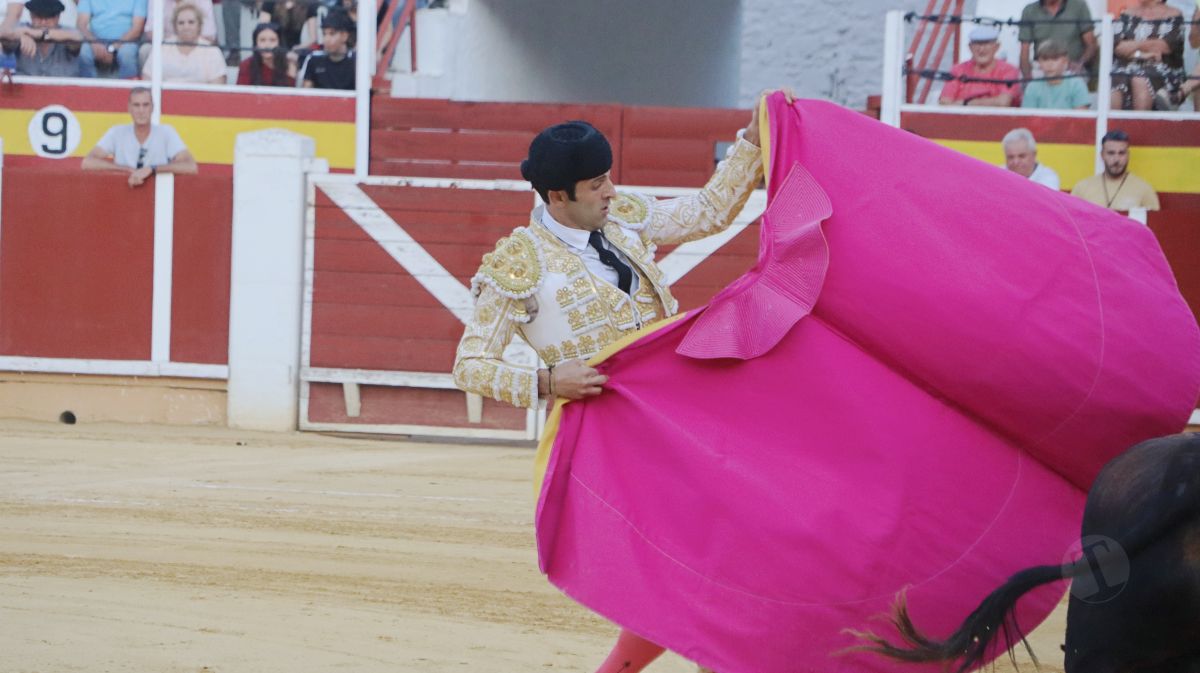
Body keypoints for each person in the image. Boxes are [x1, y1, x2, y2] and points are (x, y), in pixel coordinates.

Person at [452, 88, 781, 673]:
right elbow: (469, 364)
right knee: (697, 558)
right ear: (558, 196)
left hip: (677, 413)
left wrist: (750, 148)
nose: (610, 191)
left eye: (608, 177)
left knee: (703, 556)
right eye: (596, 184)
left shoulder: (623, 217)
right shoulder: (519, 266)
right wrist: (548, 381)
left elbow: (705, 212)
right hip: (608, 437)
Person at [81, 86, 198, 188]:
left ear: (152, 108)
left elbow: (190, 166)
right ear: (129, 108)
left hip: (157, 198)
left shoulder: (166, 132)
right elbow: (88, 162)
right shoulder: (117, 132)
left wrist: (152, 169)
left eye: (145, 105)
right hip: (123, 194)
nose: (141, 111)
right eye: (136, 105)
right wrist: (126, 170)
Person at [1110, 0, 1185, 110]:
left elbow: (1165, 46)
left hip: (1164, 69)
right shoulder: (1126, 14)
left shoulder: (1174, 15)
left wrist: (1134, 45)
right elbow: (1118, 47)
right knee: (1115, 76)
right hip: (1128, 65)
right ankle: (1113, 126)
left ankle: (1139, 126)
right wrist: (1142, 53)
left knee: (1140, 78)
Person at [1071, 130, 1159, 211]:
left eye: (1121, 153)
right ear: (1102, 155)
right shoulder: (1082, 188)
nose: (1116, 159)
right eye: (1111, 153)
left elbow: (1153, 224)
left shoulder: (1144, 190)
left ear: (1128, 155)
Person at [938, 25, 1022, 107]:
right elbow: (944, 102)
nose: (981, 50)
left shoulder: (1008, 70)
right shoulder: (957, 70)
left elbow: (1003, 102)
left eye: (986, 44)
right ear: (970, 47)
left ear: (997, 47)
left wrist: (966, 103)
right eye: (977, 44)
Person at [142, 1, 225, 83]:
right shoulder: (161, 49)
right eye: (181, 23)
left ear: (199, 25)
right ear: (175, 26)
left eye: (191, 22)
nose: (186, 27)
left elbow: (218, 86)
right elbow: (147, 80)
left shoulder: (212, 52)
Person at [1017, 0, 1098, 80]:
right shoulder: (1029, 11)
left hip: (1071, 69)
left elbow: (1091, 45)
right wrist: (1027, 78)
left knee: (1074, 81)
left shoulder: (1079, 6)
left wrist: (1080, 63)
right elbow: (1024, 51)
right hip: (1041, 68)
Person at [0, 0, 82, 77]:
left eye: (48, 17)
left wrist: (41, 34)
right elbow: (4, 34)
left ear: (58, 17)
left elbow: (77, 38)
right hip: (27, 89)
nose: (43, 22)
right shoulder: (23, 30)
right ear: (31, 15)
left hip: (63, 90)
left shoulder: (67, 31)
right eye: (38, 16)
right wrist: (20, 35)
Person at [76, 0, 145, 78]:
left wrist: (111, 48)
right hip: (95, 40)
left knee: (127, 54)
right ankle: (86, 88)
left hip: (127, 41)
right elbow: (81, 25)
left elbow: (137, 29)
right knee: (84, 52)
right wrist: (94, 43)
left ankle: (129, 89)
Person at [1021, 39, 1090, 109]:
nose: (1049, 64)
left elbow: (1081, 116)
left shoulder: (1076, 84)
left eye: (1055, 59)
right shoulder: (1033, 86)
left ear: (1065, 61)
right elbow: (1028, 117)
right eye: (1045, 59)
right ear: (1039, 62)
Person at [299, 8, 353, 89]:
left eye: (332, 34)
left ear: (344, 36)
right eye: (324, 34)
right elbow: (306, 93)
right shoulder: (313, 59)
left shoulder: (356, 62)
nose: (326, 39)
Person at [237, 21, 293, 85]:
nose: (267, 45)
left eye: (272, 40)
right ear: (256, 44)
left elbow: (290, 93)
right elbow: (242, 93)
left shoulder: (289, 65)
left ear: (279, 43)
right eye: (262, 40)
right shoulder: (246, 65)